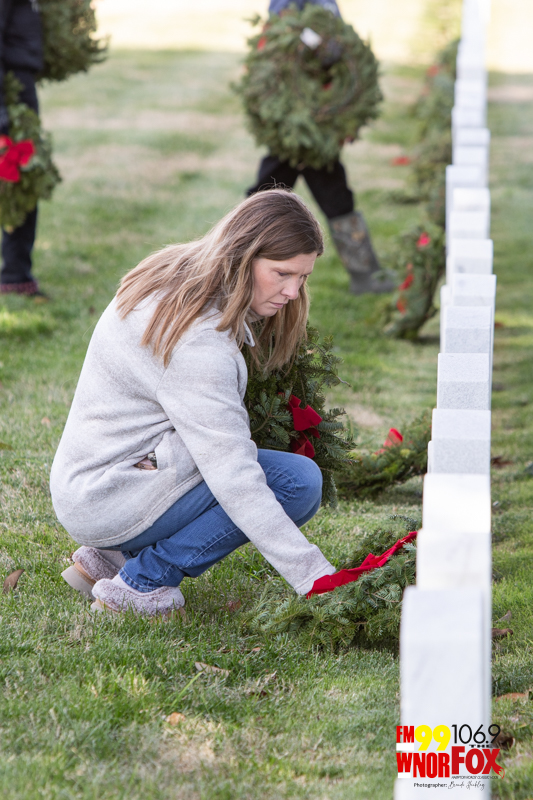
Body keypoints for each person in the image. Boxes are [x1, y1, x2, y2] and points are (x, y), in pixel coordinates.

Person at [51, 190, 338, 617]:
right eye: (282, 273)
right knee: (297, 483)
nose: (293, 292)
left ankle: (111, 559)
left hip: (94, 480)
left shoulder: (178, 275)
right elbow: (234, 475)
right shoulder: (198, 343)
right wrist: (317, 578)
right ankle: (143, 581)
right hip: (109, 494)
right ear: (243, 256)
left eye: (303, 277)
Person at [247, 0, 395, 295]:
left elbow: (342, 54)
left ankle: (365, 273)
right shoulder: (287, 8)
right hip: (293, 126)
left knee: (327, 196)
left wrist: (340, 118)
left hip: (320, 126)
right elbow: (277, 46)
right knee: (266, 197)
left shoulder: (325, 7)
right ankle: (234, 262)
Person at [0, 0, 44, 297]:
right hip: (10, 89)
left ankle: (17, 272)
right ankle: (15, 275)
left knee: (20, 183)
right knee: (16, 181)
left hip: (19, 82)